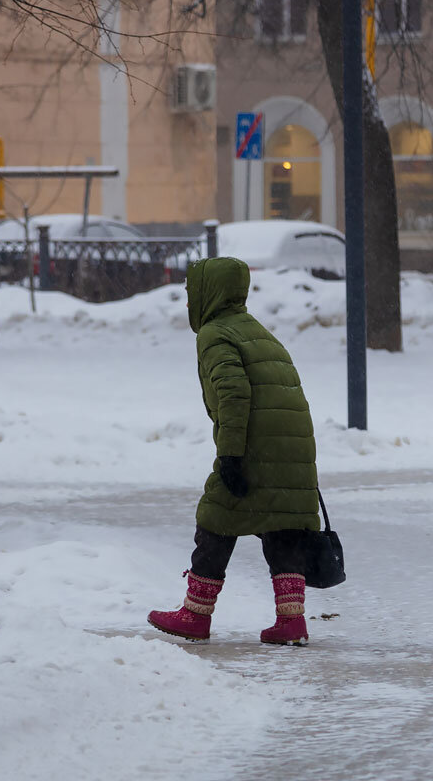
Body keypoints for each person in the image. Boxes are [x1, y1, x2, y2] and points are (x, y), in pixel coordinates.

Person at [148, 256, 321, 646]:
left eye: (192, 291)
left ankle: (195, 613)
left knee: (216, 517)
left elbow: (233, 395)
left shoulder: (215, 334)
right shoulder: (256, 331)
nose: (189, 299)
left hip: (255, 445)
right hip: (292, 448)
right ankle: (291, 621)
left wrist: (229, 456)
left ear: (208, 293)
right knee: (281, 526)